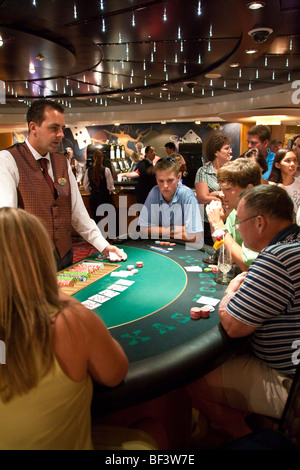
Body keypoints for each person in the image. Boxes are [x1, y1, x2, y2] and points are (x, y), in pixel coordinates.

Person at [0, 207, 129, 450]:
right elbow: (116, 373)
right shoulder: (71, 322)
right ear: (43, 259)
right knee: (152, 428)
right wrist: (51, 291)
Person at [187, 185, 300, 441]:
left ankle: (253, 440)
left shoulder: (276, 258)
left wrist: (232, 290)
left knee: (189, 379)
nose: (236, 229)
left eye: (240, 221)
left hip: (290, 386)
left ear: (259, 223)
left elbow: (232, 324)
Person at [0, 99, 126, 270]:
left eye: (62, 128)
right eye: (54, 128)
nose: (61, 134)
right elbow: (6, 223)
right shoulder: (8, 160)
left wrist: (104, 246)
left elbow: (78, 213)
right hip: (29, 262)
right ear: (33, 127)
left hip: (64, 255)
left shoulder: (62, 162)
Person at [206, 158, 261, 271]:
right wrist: (214, 222)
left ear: (249, 189)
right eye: (221, 189)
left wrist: (219, 225)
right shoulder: (234, 211)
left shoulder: (259, 218)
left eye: (227, 189)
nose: (221, 194)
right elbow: (221, 246)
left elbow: (248, 267)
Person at [138, 158, 203, 244]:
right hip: (169, 243)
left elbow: (194, 235)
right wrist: (177, 230)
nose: (165, 185)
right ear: (156, 179)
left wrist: (160, 231)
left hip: (191, 248)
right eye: (161, 181)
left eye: (170, 180)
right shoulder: (154, 192)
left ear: (178, 177)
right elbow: (144, 229)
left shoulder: (187, 195)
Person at [194, 133, 232, 245]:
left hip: (229, 221)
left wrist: (212, 194)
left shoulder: (233, 171)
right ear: (216, 152)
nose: (230, 151)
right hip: (208, 223)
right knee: (213, 250)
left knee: (226, 251)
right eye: (226, 148)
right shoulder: (203, 171)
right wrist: (220, 197)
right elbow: (202, 198)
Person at [83, 149, 115, 224]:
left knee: (95, 221)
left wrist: (92, 190)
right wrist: (112, 191)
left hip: (94, 198)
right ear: (102, 158)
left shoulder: (88, 170)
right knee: (112, 221)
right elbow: (110, 187)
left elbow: (86, 187)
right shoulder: (106, 170)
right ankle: (113, 236)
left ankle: (97, 236)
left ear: (93, 158)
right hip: (105, 198)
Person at [268, 148, 300, 214]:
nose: (292, 164)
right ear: (278, 165)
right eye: (287, 161)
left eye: (295, 160)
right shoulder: (272, 187)